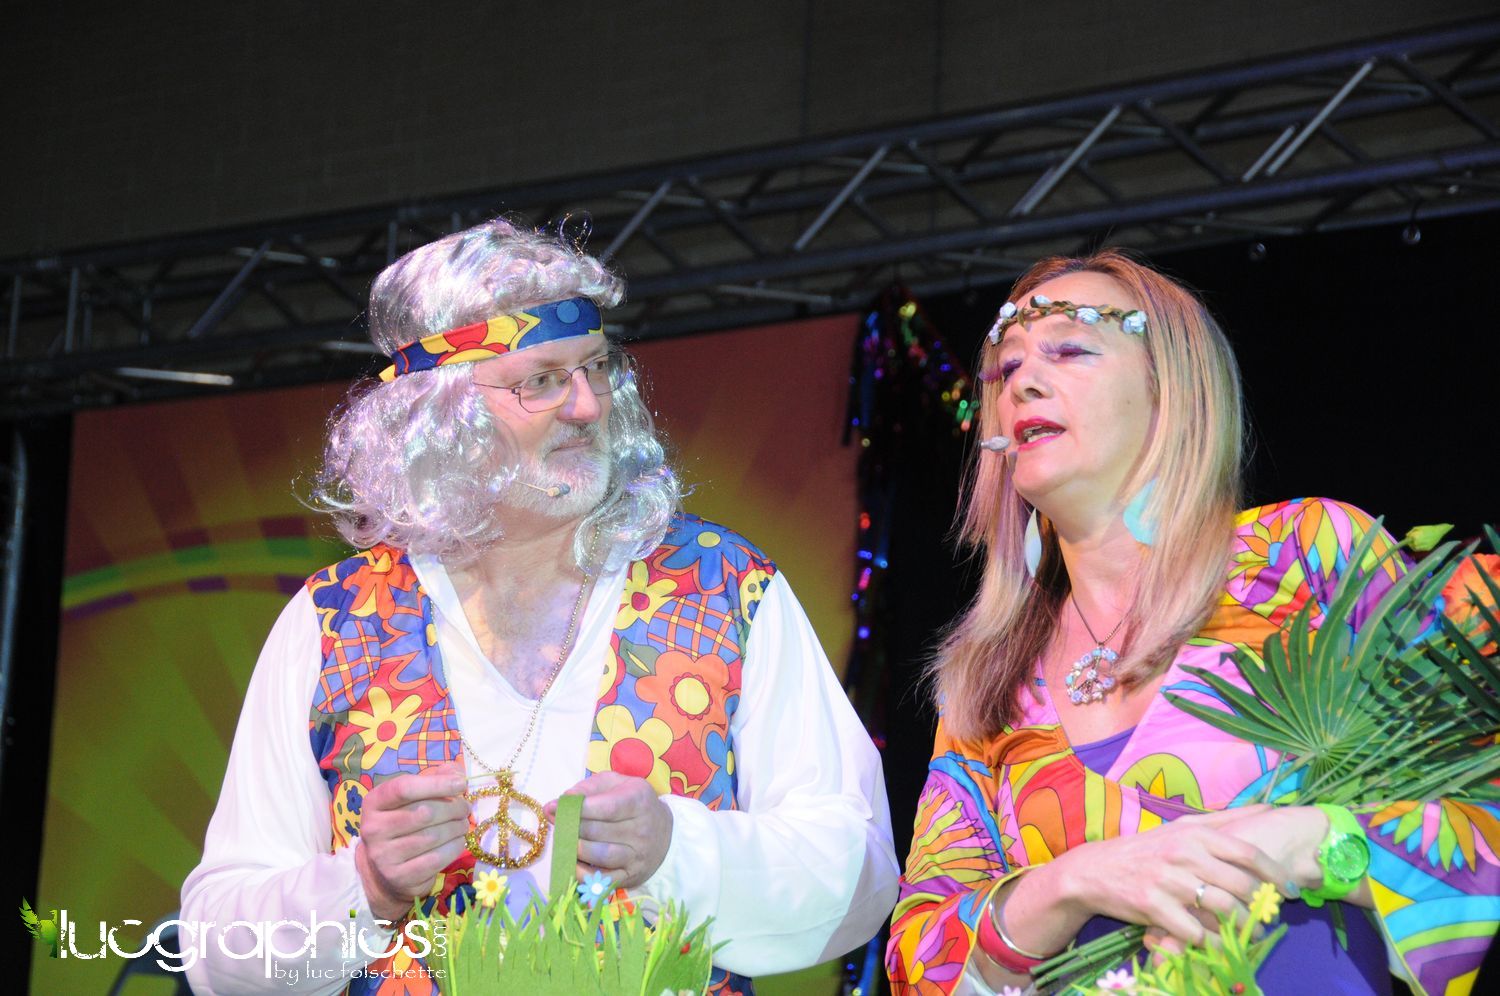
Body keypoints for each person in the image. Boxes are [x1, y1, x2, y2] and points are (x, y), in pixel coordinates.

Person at [181, 218, 900, 995]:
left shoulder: (723, 588)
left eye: (597, 368)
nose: (588, 406)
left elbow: (859, 876)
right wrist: (364, 887)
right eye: (542, 380)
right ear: (440, 417)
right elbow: (216, 950)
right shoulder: (335, 622)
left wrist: (678, 852)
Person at [885, 250, 1500, 995]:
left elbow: (1482, 810)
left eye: (1069, 350)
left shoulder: (1302, 559)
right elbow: (918, 957)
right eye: (1007, 367)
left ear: (1169, 390)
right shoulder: (989, 679)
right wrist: (1071, 883)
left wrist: (1314, 845)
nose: (1022, 383)